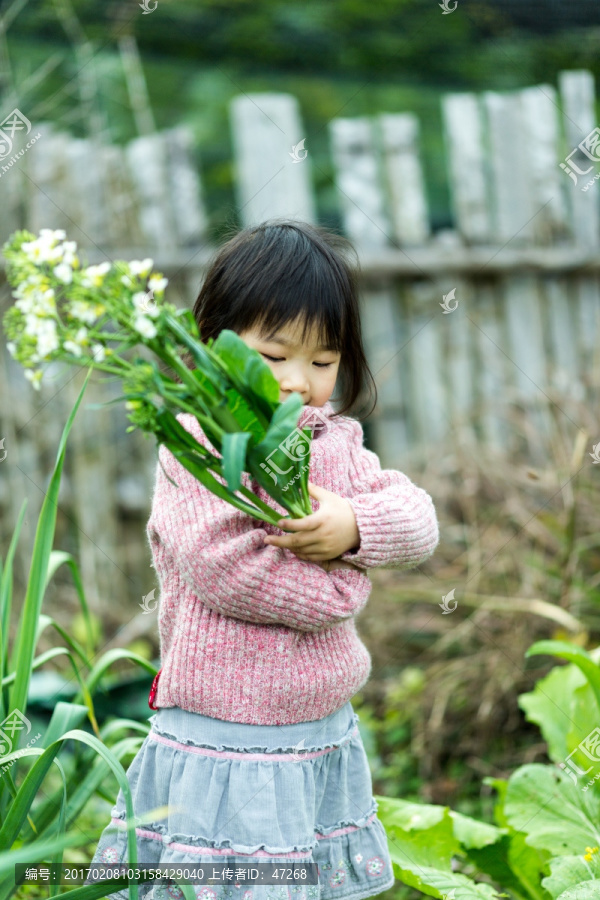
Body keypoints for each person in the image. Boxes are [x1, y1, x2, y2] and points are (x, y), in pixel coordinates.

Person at [86, 219, 440, 900]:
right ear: (213, 345)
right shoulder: (197, 443)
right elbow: (225, 567)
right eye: (273, 356)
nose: (297, 383)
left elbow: (418, 517)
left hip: (319, 727)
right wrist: (343, 591)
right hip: (230, 737)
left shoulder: (333, 441)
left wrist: (355, 525)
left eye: (323, 361)